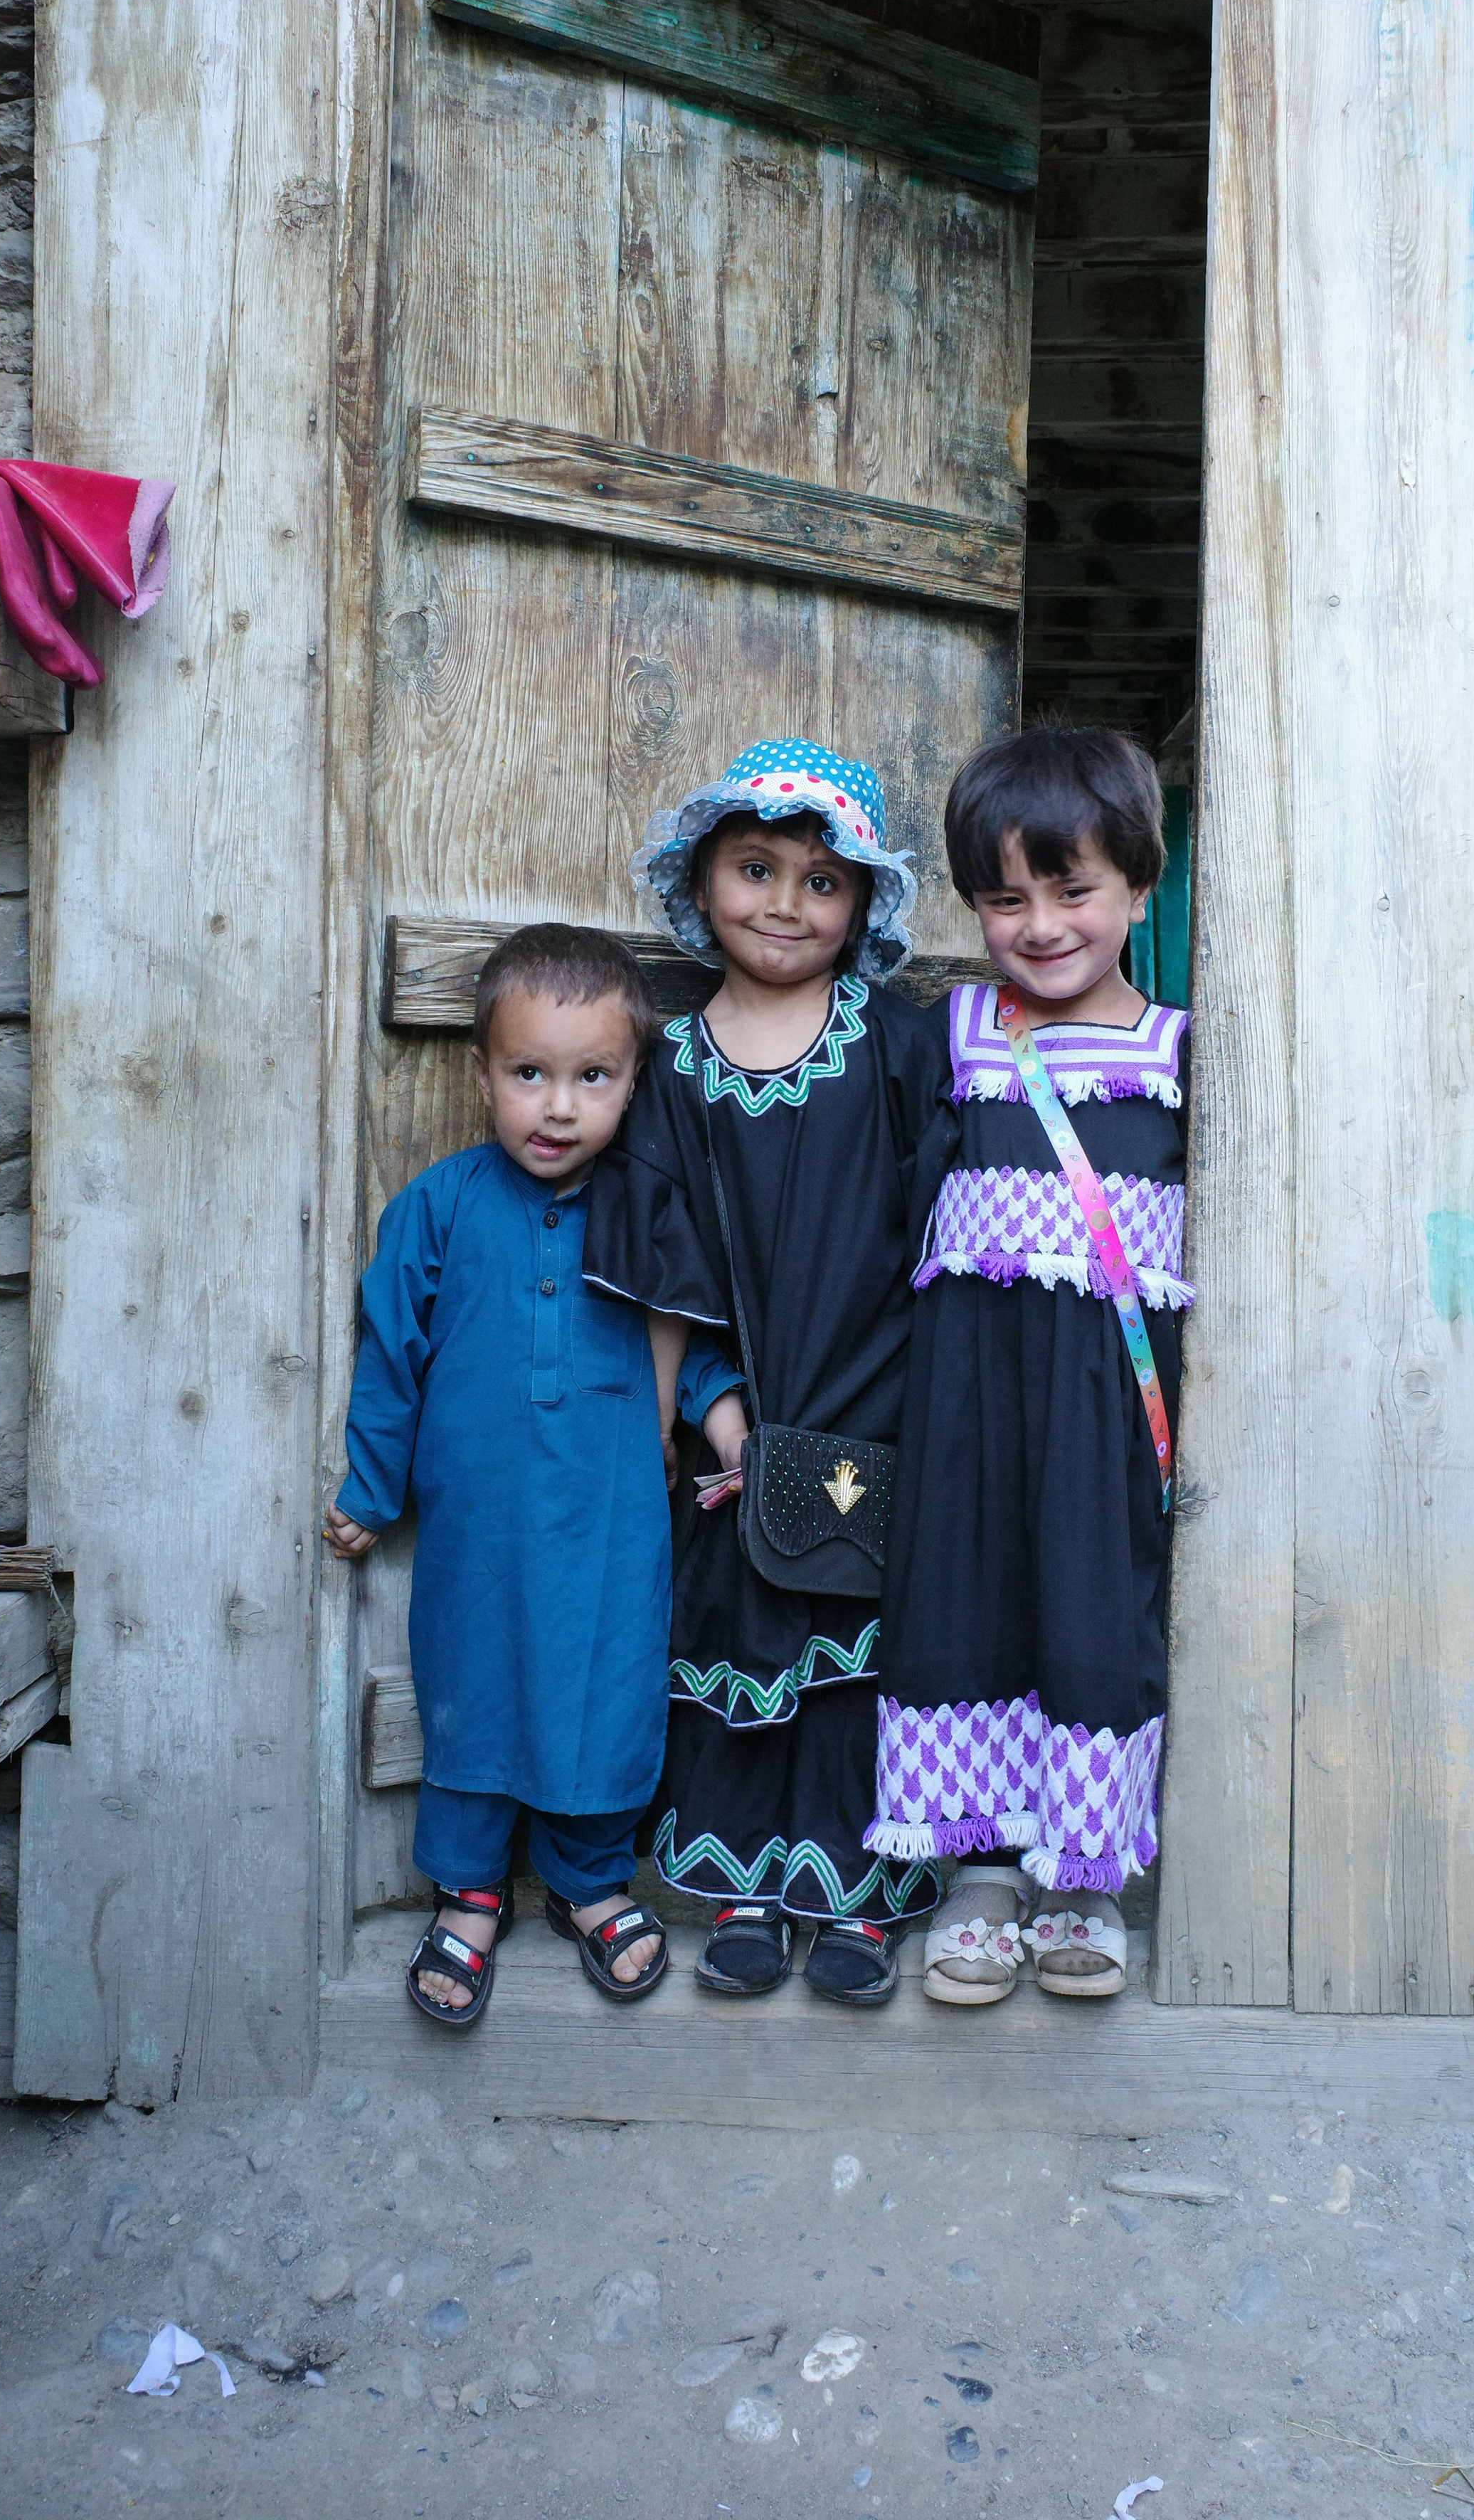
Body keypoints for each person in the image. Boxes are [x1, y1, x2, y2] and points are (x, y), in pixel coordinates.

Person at [323, 923, 741, 2031]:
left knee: (605, 1688)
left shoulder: (647, 1212)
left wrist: (731, 1426)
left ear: (633, 1081)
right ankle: (466, 1891)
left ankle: (590, 1880)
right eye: (530, 1075)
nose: (559, 1108)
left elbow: (691, 1342)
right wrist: (371, 1489)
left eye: (592, 1077)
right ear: (482, 1074)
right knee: (471, 1687)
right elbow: (390, 1353)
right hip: (479, 1524)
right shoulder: (438, 1208)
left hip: (611, 1521)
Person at [584, 741, 948, 2007]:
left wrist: (925, 1412)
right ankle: (746, 1891)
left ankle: (862, 1897)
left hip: (882, 1403)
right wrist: (716, 1423)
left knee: (860, 1648)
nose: (787, 904)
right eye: (756, 869)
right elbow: (665, 1260)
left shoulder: (897, 1050)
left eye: (822, 880)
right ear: (703, 880)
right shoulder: (671, 1072)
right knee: (741, 1637)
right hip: (745, 1415)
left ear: (865, 906)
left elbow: (941, 1232)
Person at [867, 727, 1190, 2005]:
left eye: (1075, 890)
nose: (1042, 924)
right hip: (968, 1394)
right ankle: (981, 1875)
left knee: (1094, 1609)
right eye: (1006, 898)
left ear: (1138, 889)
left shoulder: (1180, 1057)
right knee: (965, 1596)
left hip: (1107, 1402)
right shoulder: (949, 1037)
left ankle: (1083, 1877)